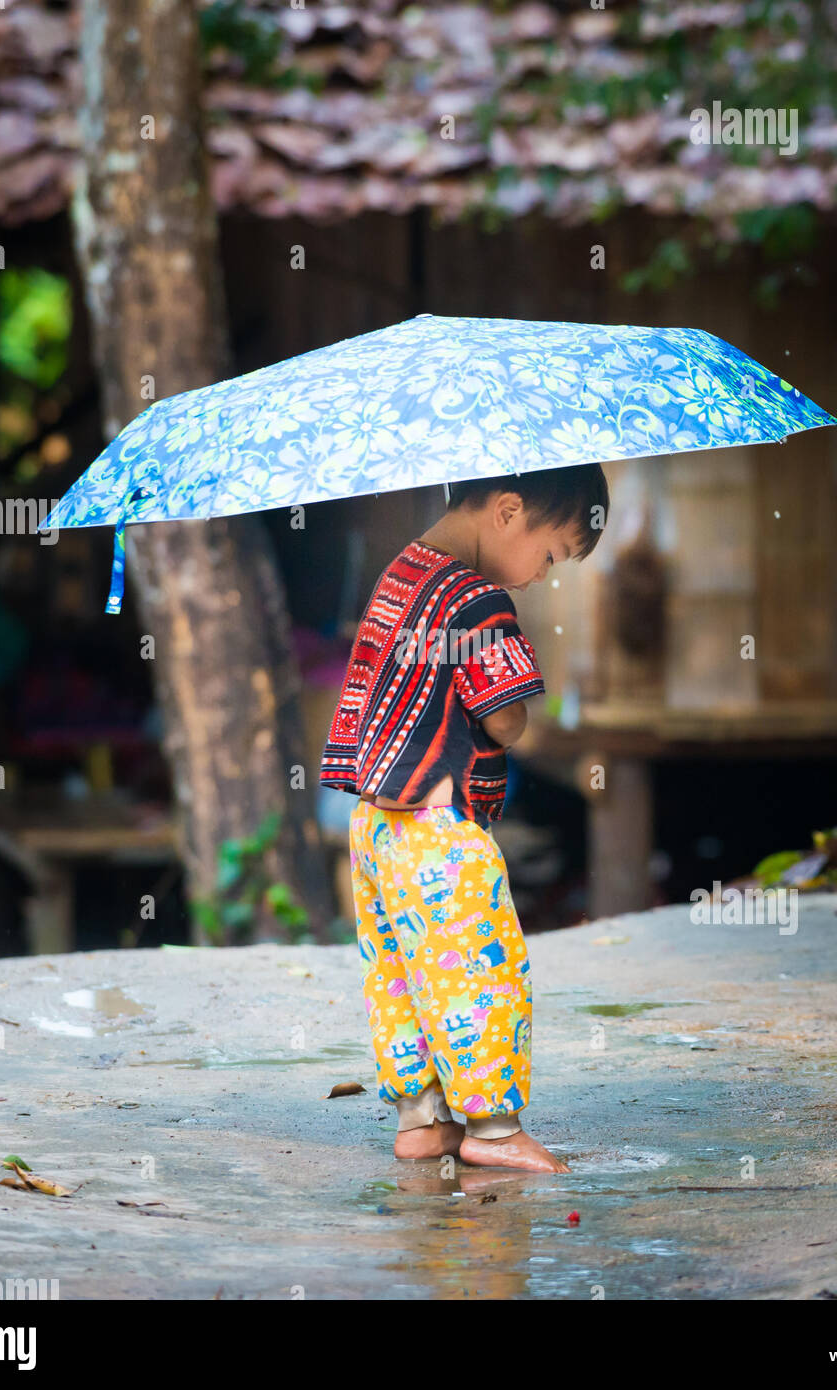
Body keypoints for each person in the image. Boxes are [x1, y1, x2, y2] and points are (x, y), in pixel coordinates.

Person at [321, 464, 609, 1173]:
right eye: (550, 555)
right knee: (478, 974)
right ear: (508, 512)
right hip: (438, 827)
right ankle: (492, 1127)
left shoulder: (399, 573)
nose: (542, 576)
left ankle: (420, 1120)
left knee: (401, 974)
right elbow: (505, 721)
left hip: (376, 823)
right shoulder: (477, 600)